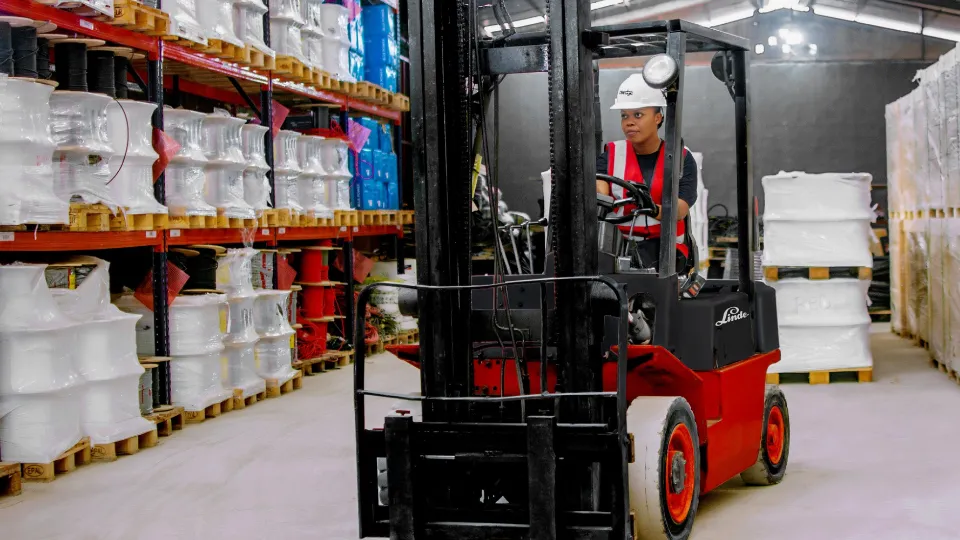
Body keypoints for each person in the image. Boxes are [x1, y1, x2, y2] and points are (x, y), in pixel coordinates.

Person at [596, 73, 699, 274]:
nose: (629, 122)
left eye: (638, 115)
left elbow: (680, 209)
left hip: (665, 249)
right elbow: (600, 190)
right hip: (617, 245)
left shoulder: (681, 159)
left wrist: (652, 209)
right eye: (624, 115)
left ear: (658, 117)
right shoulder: (610, 155)